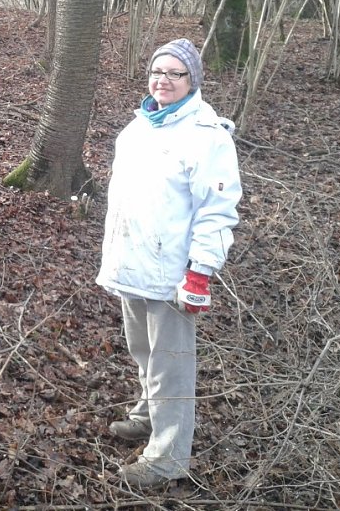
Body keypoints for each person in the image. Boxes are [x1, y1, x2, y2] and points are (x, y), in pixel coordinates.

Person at [95, 38, 242, 489]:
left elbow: (217, 209)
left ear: (192, 80)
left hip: (173, 273)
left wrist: (199, 271)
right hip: (133, 262)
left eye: (174, 73)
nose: (162, 80)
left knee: (171, 364)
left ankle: (167, 457)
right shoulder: (137, 128)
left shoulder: (206, 136)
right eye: (157, 71)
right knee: (143, 351)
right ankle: (146, 415)